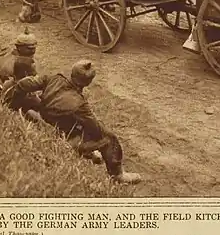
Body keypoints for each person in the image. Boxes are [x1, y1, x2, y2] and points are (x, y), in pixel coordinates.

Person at [10, 60, 141, 184]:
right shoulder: (80, 104)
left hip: (45, 120)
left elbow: (23, 84)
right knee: (109, 138)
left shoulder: (54, 78)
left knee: (78, 123)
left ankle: (89, 152)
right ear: (88, 82)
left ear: (72, 72)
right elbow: (96, 131)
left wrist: (13, 105)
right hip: (64, 137)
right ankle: (118, 175)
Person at [0, 28, 42, 116]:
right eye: (29, 48)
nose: (32, 50)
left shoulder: (30, 62)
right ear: (18, 47)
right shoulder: (10, 63)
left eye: (33, 48)